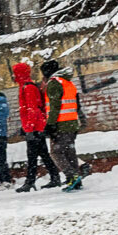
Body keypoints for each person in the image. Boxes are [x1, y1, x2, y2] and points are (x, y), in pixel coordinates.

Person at [11, 61, 59, 191]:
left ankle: (30, 182)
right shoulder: (25, 86)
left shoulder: (28, 87)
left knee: (32, 156)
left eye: (15, 73)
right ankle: (54, 177)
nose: (13, 76)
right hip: (34, 126)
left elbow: (33, 109)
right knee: (42, 154)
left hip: (35, 127)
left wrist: (30, 128)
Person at [42, 61, 86, 191]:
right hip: (72, 122)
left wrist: (50, 124)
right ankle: (76, 179)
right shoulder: (68, 83)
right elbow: (77, 105)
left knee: (56, 152)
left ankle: (71, 176)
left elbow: (55, 106)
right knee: (69, 151)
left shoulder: (54, 83)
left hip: (61, 123)